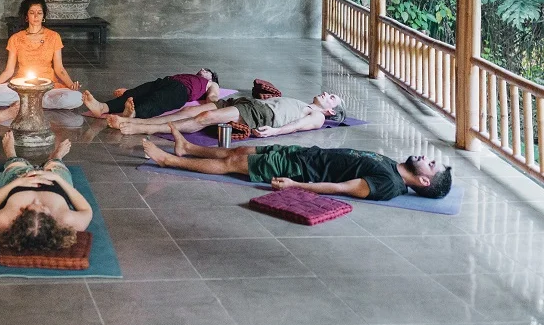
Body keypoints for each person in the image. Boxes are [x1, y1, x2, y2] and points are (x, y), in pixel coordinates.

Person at [143, 127, 452, 201]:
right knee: (244, 150)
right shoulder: (396, 166)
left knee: (235, 163)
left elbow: (341, 188)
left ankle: (168, 160)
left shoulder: (389, 186)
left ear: (424, 182)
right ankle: (187, 147)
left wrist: (296, 185)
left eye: (432, 166)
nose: (428, 159)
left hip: (301, 170)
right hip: (305, 154)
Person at [0, 132, 92, 251]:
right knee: (56, 166)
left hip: (20, 181)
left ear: (19, 219)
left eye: (28, 208)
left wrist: (16, 183)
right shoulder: (66, 221)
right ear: (54, 223)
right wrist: (57, 179)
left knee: (15, 165)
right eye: (43, 208)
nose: (37, 201)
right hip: (56, 184)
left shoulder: (5, 220)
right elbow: (87, 210)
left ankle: (11, 154)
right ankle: (57, 157)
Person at [0, 0, 83, 110]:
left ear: (44, 16)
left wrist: (71, 85)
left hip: (47, 87)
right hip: (22, 87)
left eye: (39, 13)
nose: (36, 16)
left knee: (77, 97)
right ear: (26, 16)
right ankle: (36, 102)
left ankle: (29, 103)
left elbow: (59, 68)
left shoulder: (54, 36)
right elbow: (8, 71)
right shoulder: (16, 38)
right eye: (32, 12)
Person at [108, 91, 346, 137]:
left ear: (331, 110)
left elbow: (296, 126)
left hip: (258, 114)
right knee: (191, 110)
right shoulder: (305, 102)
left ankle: (142, 128)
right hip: (246, 102)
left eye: (332, 97)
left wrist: (275, 131)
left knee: (203, 119)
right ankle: (138, 120)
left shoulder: (319, 116)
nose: (326, 93)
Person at [81, 69, 219, 120]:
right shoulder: (191, 77)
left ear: (212, 78)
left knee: (156, 101)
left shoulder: (211, 84)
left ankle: (133, 114)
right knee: (135, 93)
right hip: (166, 81)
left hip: (180, 91)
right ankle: (102, 107)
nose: (202, 69)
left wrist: (215, 110)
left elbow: (213, 97)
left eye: (207, 71)